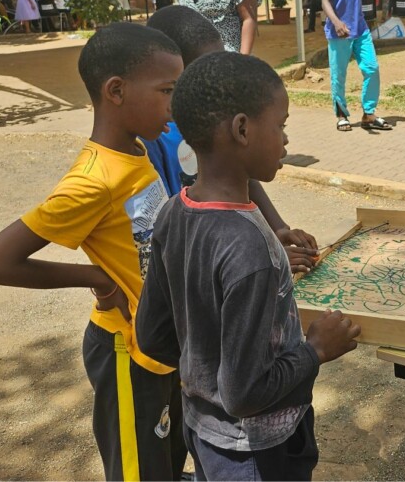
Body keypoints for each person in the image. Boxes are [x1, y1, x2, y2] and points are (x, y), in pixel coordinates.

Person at [0, 24, 188, 481]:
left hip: (159, 337)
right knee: (138, 471)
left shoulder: (137, 149)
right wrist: (96, 278)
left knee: (166, 455)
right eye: (167, 90)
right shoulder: (91, 180)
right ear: (116, 91)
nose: (175, 104)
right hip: (126, 349)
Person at [136, 51, 360, 481]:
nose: (286, 141)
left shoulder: (172, 213)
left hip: (202, 432)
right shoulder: (251, 248)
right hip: (256, 453)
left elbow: (152, 337)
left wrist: (205, 375)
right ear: (242, 129)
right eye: (281, 126)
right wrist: (315, 350)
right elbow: (244, 394)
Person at [142, 5, 319, 275]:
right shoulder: (156, 136)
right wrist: (264, 258)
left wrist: (278, 229)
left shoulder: (215, 116)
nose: (220, 75)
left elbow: (241, 171)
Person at [317, 0, 391, 132]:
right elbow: (324, 0)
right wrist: (336, 22)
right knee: (339, 75)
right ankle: (341, 115)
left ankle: (369, 113)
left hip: (361, 30)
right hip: (339, 32)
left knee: (372, 68)